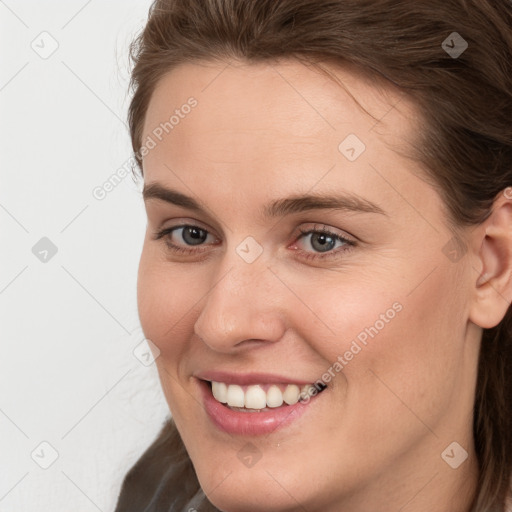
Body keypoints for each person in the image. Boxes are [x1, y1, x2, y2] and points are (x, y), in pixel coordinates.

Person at [114, 1, 512, 510]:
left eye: (321, 240)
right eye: (190, 234)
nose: (223, 323)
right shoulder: (154, 495)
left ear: (491, 265)